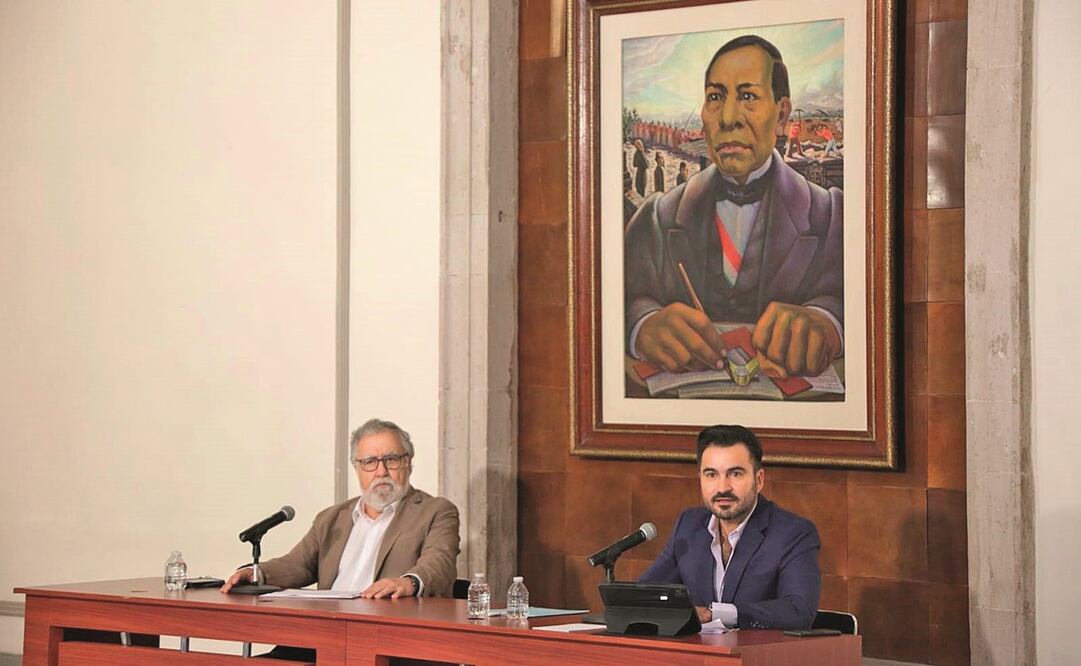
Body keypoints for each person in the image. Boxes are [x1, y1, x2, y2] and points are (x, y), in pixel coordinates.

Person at [624, 35, 844, 380]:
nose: (728, 118)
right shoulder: (657, 217)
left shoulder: (831, 215)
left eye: (748, 96)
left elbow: (863, 302)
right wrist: (643, 325)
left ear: (782, 113)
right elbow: (614, 298)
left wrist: (827, 322)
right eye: (715, 97)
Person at [222, 419, 460, 599]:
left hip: (387, 635)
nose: (381, 471)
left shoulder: (435, 512)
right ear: (357, 468)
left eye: (391, 459)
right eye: (370, 462)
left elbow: (439, 562)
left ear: (407, 463)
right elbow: (297, 564)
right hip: (326, 630)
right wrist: (255, 573)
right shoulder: (332, 518)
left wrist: (409, 583)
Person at [639, 424, 820, 630]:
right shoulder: (689, 525)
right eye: (711, 475)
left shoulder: (793, 533)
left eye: (735, 474)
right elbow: (645, 593)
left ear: (759, 480)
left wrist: (715, 614)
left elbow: (798, 611)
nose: (723, 487)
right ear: (700, 478)